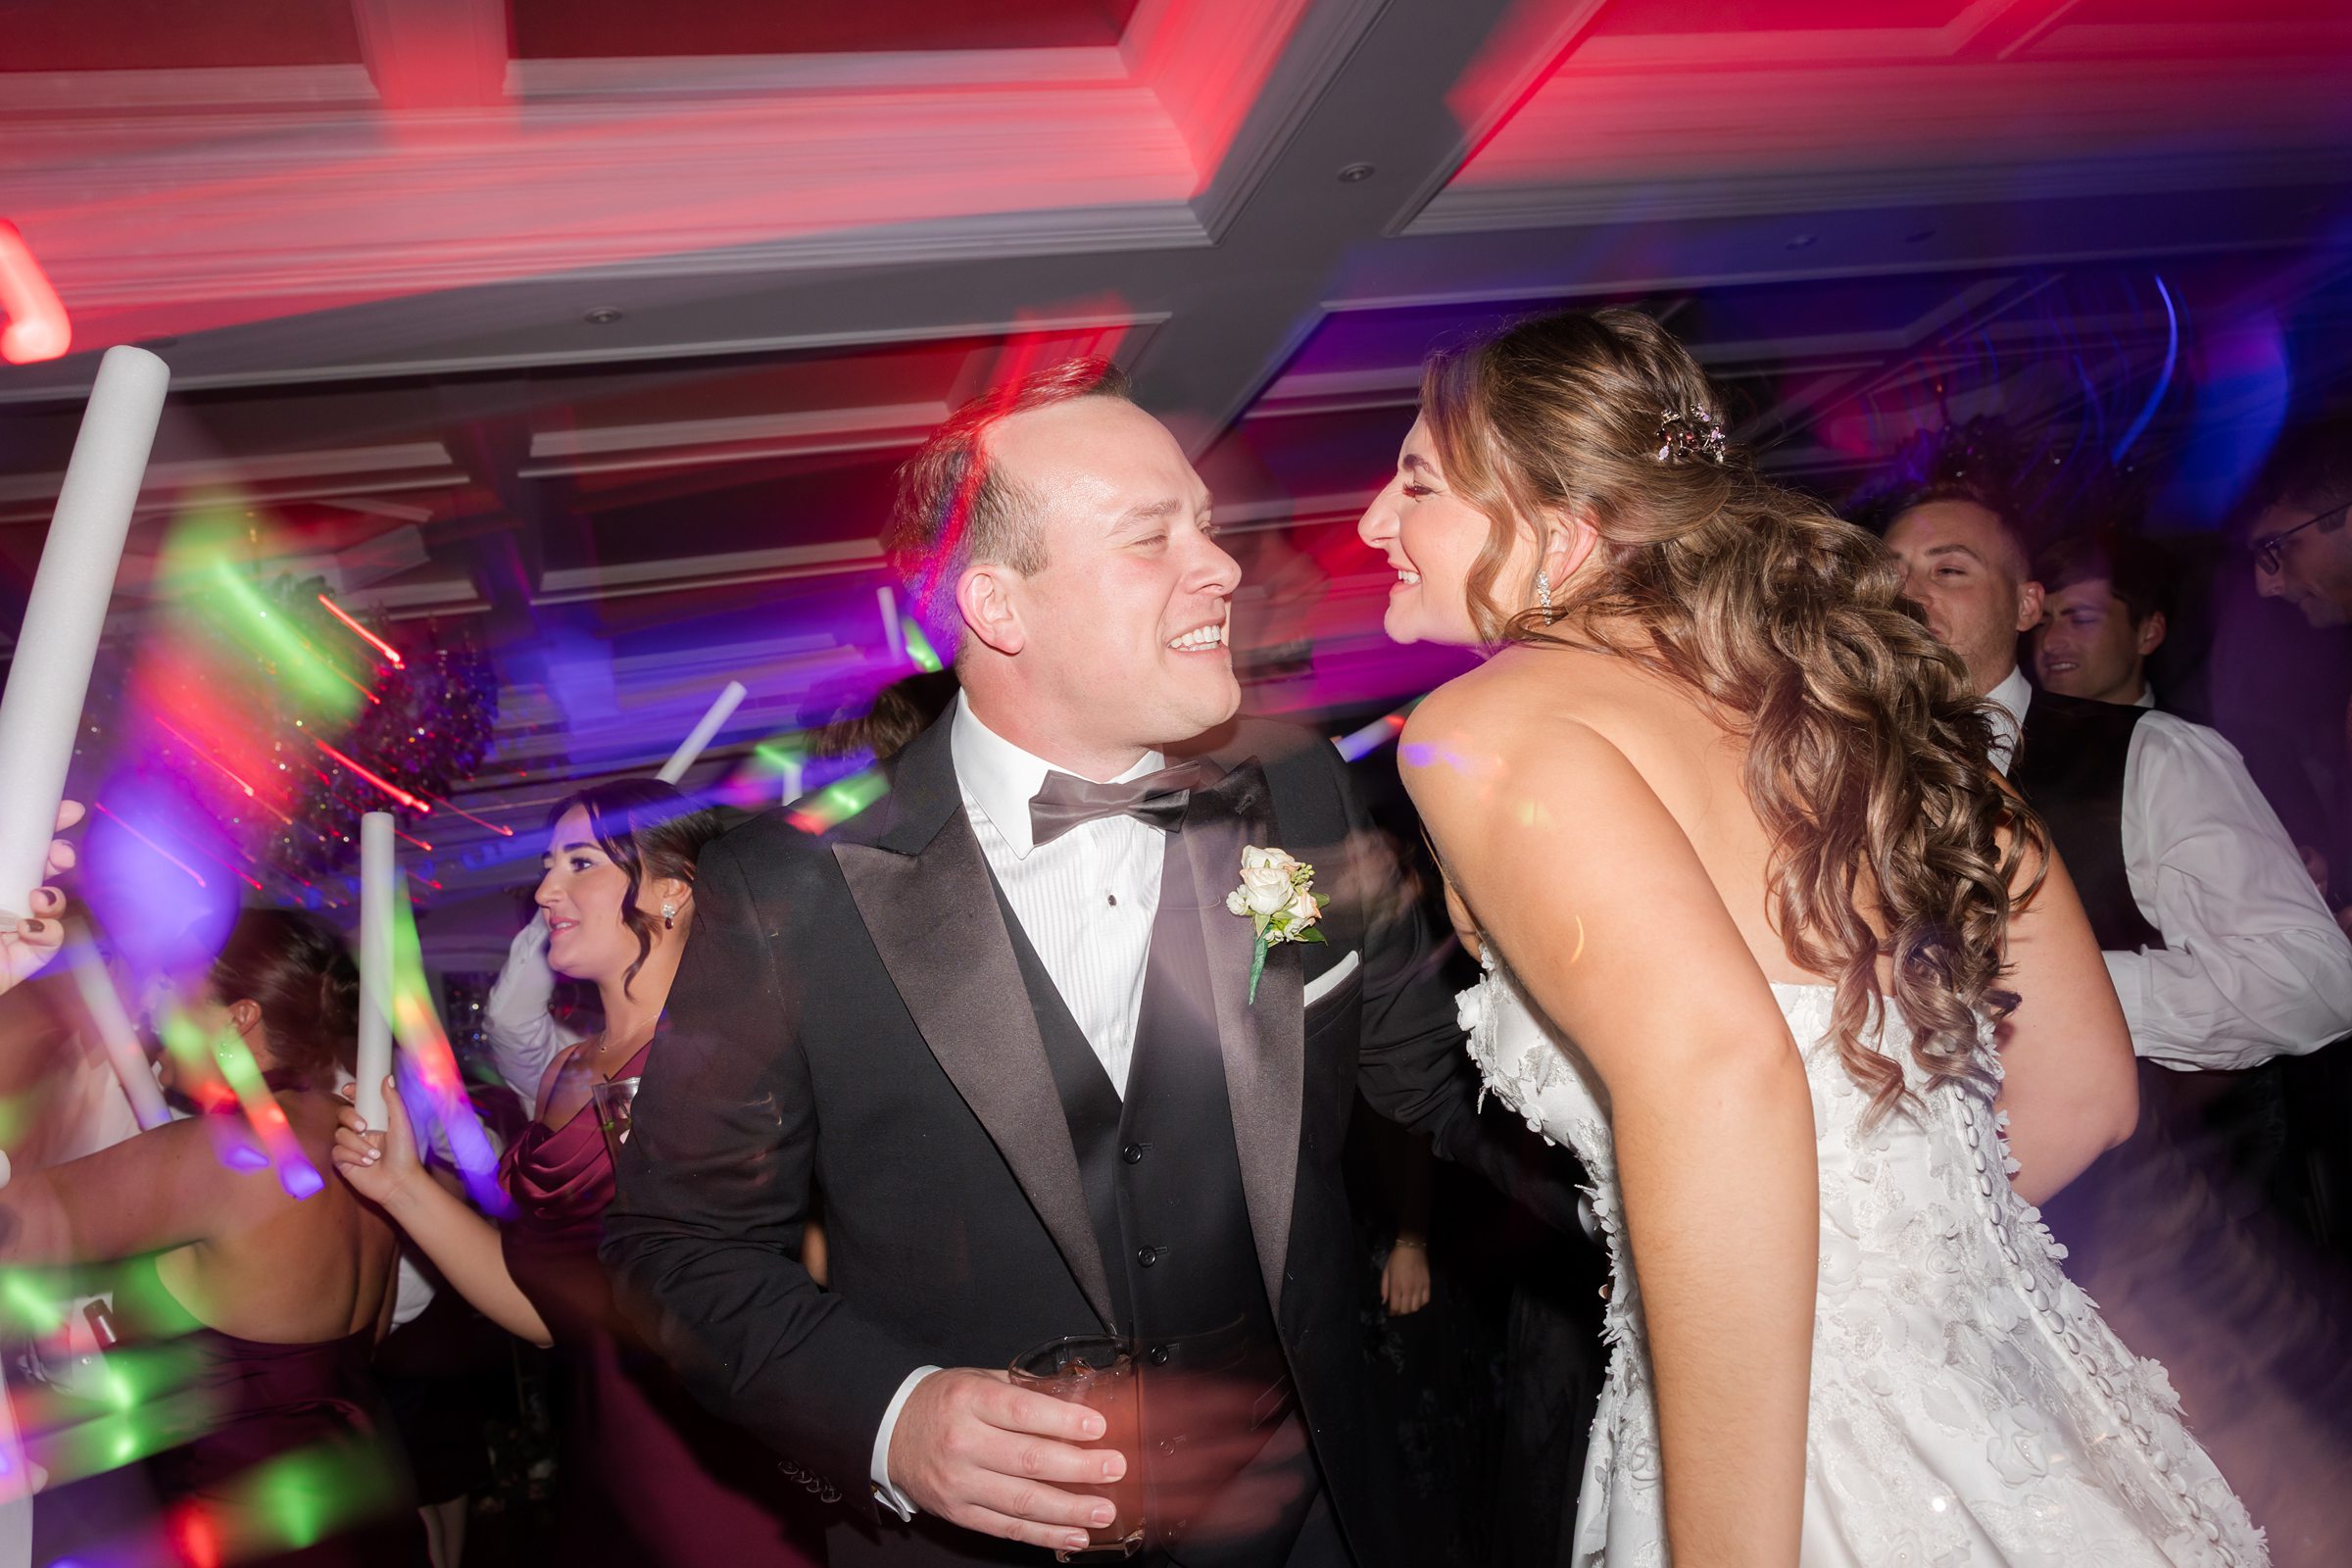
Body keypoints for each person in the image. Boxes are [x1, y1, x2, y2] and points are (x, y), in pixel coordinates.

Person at [603, 359, 1573, 1568]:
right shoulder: (786, 886)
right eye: (1149, 538)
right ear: (1000, 607)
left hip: (1299, 1523)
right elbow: (674, 1245)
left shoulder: (1303, 790)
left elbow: (1441, 1087)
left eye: (1206, 527)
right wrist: (894, 1420)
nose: (1218, 567)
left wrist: (1662, 1185)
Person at [1359, 307, 2263, 1563]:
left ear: (1561, 529)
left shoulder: (1482, 726)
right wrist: (1894, 1278)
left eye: (1415, 485)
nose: (1369, 526)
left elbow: (1723, 1078)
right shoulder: (1864, 709)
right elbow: (2091, 1094)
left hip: (1779, 1462)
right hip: (2013, 1405)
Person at [333, 778, 815, 1568]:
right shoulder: (565, 1070)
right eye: (549, 864)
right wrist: (401, 1188)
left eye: (581, 863)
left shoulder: (745, 1061)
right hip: (606, 1465)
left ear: (673, 893)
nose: (546, 889)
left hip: (722, 1462)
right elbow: (551, 1309)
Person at [0, 906, 421, 1568]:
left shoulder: (229, 1151)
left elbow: (11, 1228)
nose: (153, 1011)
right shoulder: (366, 1136)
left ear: (238, 1017)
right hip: (364, 1514)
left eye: (174, 987)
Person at [1886, 493, 2352, 1073]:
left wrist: (2046, 989)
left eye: (1949, 570)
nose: (1904, 594)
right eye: (1888, 573)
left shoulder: (2155, 752)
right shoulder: (1843, 771)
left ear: (2025, 604)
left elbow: (2312, 982)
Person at [2033, 532, 2168, 707]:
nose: (2048, 643)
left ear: (2149, 634)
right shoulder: (2012, 727)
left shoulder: (2186, 734)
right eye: (2040, 624)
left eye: (2082, 620)